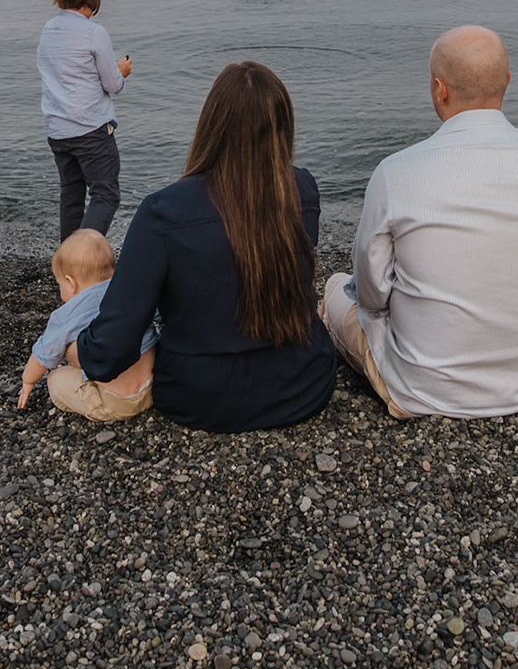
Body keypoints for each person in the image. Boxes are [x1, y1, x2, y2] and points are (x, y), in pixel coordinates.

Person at [322, 26, 518, 419]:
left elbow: (372, 297)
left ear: (439, 89)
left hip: (421, 388)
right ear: (507, 82)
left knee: (335, 289)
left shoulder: (397, 173)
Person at [75, 61, 334, 432]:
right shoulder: (303, 190)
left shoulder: (164, 211)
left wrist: (73, 347)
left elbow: (113, 344)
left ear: (211, 125)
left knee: (62, 381)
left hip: (200, 398)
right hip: (303, 386)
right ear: (283, 127)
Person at [17, 229, 157, 421]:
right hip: (154, 388)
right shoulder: (131, 293)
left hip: (115, 402)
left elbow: (45, 354)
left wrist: (27, 381)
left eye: (59, 284)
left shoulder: (69, 313)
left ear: (70, 282)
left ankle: (100, 404)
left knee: (56, 379)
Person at [36, 0, 132, 239]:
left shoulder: (48, 29)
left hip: (57, 129)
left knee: (71, 194)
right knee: (105, 195)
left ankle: (67, 256)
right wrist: (121, 72)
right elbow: (112, 85)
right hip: (89, 128)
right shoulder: (94, 32)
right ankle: (84, 257)